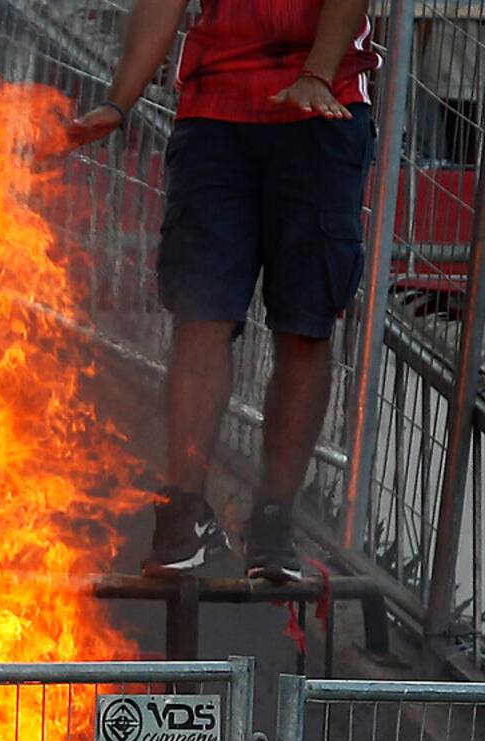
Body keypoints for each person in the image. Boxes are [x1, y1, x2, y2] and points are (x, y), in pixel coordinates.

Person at [63, 0, 380, 582]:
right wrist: (118, 101)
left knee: (305, 325)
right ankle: (182, 517)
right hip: (214, 115)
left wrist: (315, 71)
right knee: (201, 316)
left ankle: (273, 525)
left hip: (326, 111)